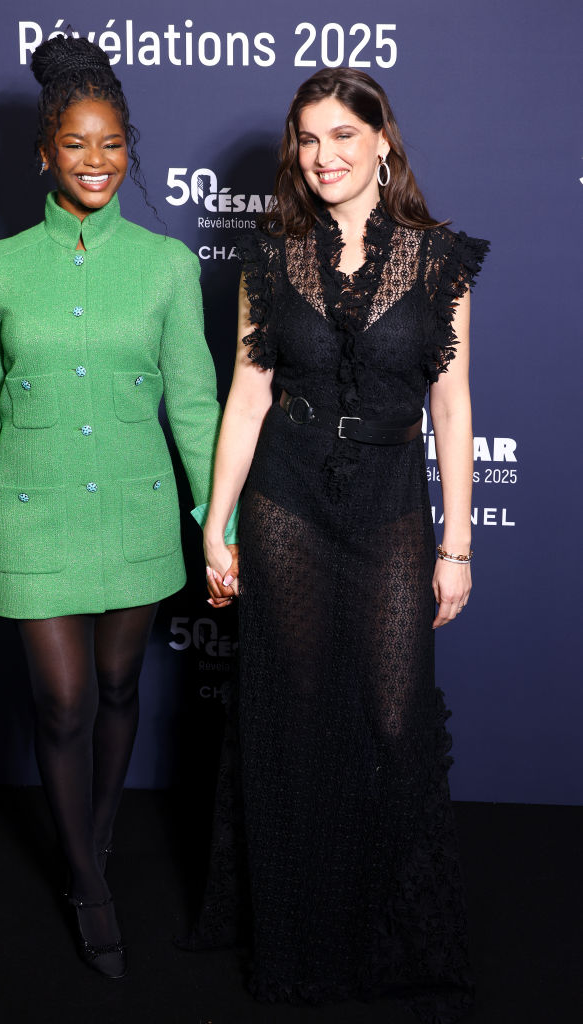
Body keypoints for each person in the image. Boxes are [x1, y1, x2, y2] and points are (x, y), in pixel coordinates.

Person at [0, 35, 236, 979]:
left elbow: (194, 405)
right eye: (76, 144)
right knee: (60, 700)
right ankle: (86, 881)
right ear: (44, 154)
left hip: (139, 515)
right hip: (33, 513)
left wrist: (215, 530)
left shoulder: (166, 266)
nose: (95, 161)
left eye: (111, 144)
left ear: (128, 149)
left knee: (116, 690)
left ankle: (93, 837)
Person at [196, 68, 488, 1023]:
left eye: (341, 136)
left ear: (381, 141)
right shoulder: (270, 260)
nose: (323, 157)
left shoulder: (439, 258)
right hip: (285, 501)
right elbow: (246, 399)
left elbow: (451, 405)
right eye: (307, 140)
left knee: (396, 718)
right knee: (298, 716)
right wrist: (216, 518)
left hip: (391, 502)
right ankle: (299, 934)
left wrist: (457, 543)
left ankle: (391, 934)